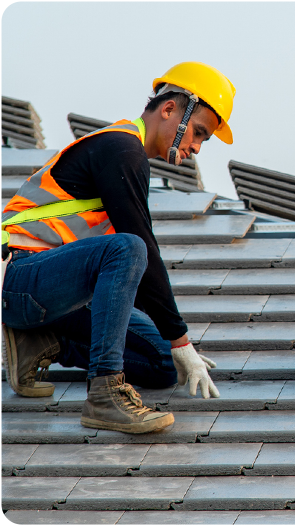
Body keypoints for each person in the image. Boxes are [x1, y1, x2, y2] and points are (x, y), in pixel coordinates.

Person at [1, 62, 235, 434]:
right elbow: (139, 248)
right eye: (199, 132)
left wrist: (173, 346)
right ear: (170, 109)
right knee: (129, 248)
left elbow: (127, 278)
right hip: (16, 275)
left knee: (161, 363)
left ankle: (45, 341)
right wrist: (182, 338)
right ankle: (105, 394)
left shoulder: (128, 155)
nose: (195, 147)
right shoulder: (122, 148)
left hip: (52, 289)